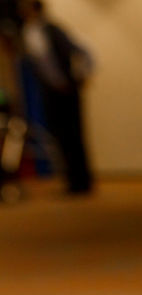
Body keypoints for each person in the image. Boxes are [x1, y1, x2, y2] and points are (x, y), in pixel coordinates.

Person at [20, 0, 91, 193]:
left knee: (74, 136)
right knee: (61, 136)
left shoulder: (52, 30)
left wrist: (82, 76)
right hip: (51, 91)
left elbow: (85, 51)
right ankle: (73, 181)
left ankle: (81, 182)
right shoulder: (30, 32)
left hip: (66, 90)